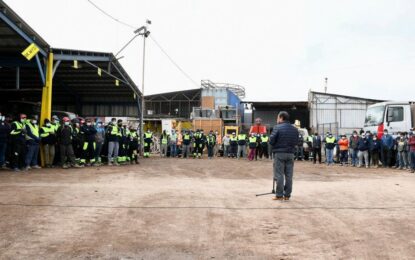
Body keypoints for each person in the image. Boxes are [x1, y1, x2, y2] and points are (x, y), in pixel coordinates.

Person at [270, 111, 298, 201]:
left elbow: (271, 141)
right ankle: (287, 195)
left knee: (279, 175)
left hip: (280, 154)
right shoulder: (294, 129)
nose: (277, 119)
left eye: (277, 117)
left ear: (281, 117)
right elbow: (297, 142)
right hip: (290, 154)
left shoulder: (277, 127)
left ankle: (279, 195)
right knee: (289, 176)